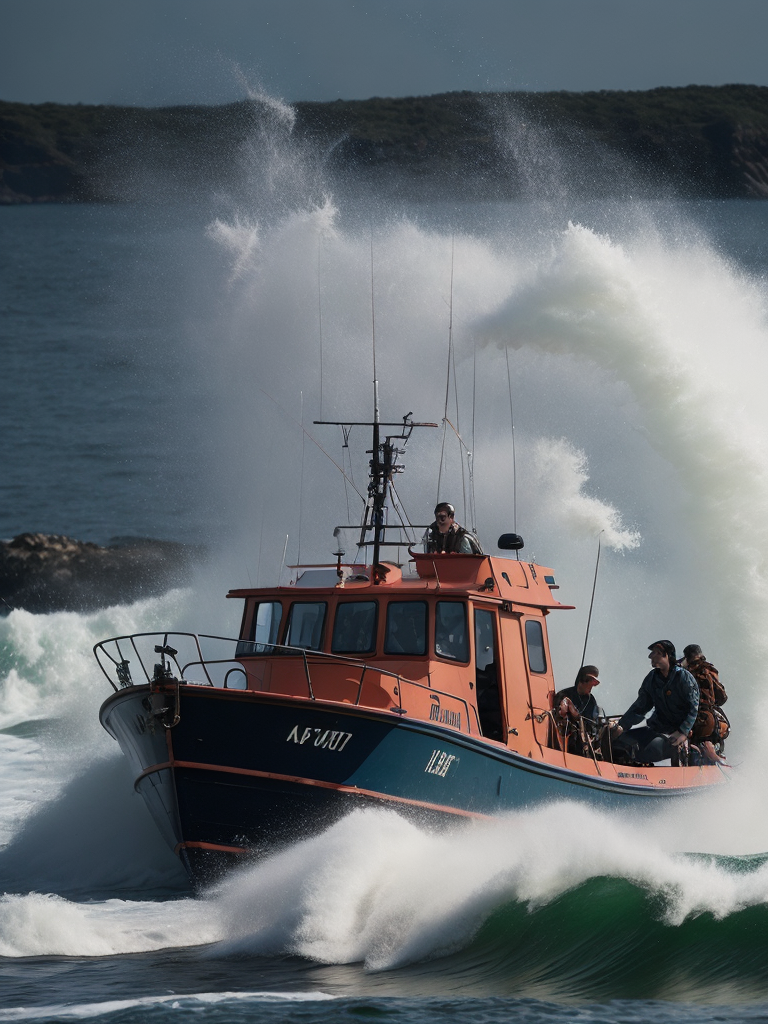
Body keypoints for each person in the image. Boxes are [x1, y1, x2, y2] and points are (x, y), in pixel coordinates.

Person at [607, 640, 699, 764]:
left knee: (647, 751)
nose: (651, 656)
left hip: (675, 734)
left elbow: (693, 708)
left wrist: (683, 732)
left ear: (666, 655)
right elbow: (640, 707)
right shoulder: (652, 679)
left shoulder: (684, 677)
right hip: (656, 729)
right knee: (619, 742)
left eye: (656, 653)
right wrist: (621, 726)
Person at [683, 643, 729, 763]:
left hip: (692, 718)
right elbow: (722, 697)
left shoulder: (683, 672)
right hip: (709, 718)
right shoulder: (709, 670)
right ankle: (718, 761)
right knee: (708, 743)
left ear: (687, 657)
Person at [553, 665, 602, 754]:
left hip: (584, 744)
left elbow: (593, 724)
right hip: (565, 741)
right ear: (582, 681)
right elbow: (557, 716)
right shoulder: (564, 695)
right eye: (590, 684)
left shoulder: (591, 701)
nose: (591, 688)